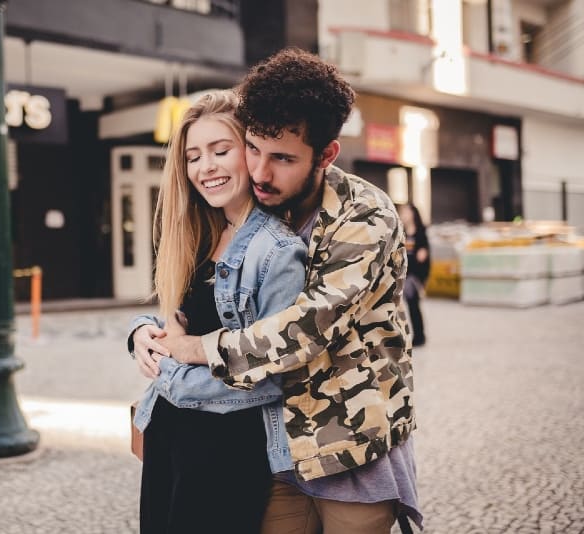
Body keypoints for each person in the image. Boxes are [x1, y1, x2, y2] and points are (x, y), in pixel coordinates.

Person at [134, 48, 422, 533]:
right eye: (253, 149)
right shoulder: (262, 205)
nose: (262, 173)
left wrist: (187, 352)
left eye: (283, 158)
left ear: (326, 154)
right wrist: (146, 329)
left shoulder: (365, 217)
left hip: (348, 443)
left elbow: (306, 328)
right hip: (279, 445)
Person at [127, 90, 307, 533]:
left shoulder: (278, 251)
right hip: (169, 433)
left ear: (250, 153)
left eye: (220, 150)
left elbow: (272, 371)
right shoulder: (203, 233)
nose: (205, 167)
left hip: (225, 448)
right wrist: (140, 334)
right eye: (193, 157)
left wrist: (171, 374)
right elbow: (184, 323)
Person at [397, 202, 430, 347]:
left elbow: (422, 257)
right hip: (402, 275)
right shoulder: (400, 232)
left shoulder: (420, 233)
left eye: (406, 212)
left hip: (414, 276)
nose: (403, 214)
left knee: (414, 306)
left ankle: (419, 336)